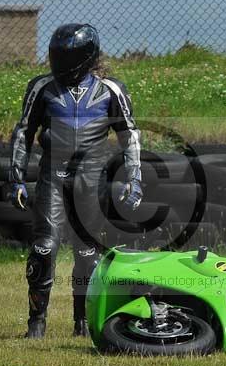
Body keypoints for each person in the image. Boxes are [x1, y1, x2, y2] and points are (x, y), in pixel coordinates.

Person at [7, 23, 143, 339]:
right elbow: (24, 132)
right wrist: (16, 179)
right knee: (44, 247)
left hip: (92, 181)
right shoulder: (40, 87)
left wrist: (134, 180)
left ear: (85, 57)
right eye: (56, 54)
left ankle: (82, 324)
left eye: (65, 56)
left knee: (88, 254)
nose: (58, 61)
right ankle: (36, 324)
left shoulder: (112, 90)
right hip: (52, 177)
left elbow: (129, 136)